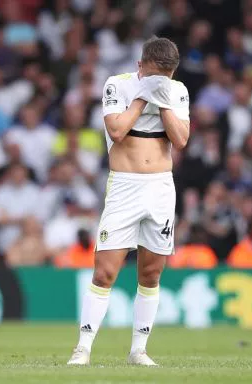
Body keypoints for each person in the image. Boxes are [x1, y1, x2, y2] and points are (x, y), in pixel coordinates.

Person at [68, 37, 190, 367]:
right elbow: (117, 131)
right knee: (105, 271)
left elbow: (180, 140)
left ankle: (138, 350)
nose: (156, 81)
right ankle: (83, 348)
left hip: (161, 189)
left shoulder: (177, 92)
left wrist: (162, 98)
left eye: (162, 77)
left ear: (172, 72)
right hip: (124, 187)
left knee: (151, 273)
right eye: (150, 74)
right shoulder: (117, 86)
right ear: (140, 65)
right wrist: (142, 95)